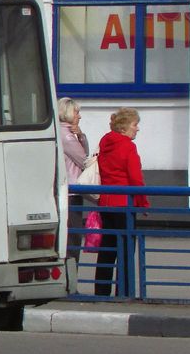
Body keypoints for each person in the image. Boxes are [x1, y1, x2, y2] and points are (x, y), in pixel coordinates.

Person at [94, 107, 150, 297]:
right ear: (125, 127)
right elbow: (135, 179)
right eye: (135, 125)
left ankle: (101, 291)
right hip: (124, 204)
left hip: (106, 202)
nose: (138, 129)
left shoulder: (105, 142)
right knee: (126, 250)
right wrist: (142, 203)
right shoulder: (128, 146)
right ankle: (124, 292)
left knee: (107, 249)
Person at [57, 97, 90, 254]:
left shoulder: (59, 132)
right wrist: (82, 138)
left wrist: (81, 135)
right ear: (69, 113)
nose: (79, 116)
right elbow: (84, 160)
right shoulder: (68, 136)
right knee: (73, 237)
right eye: (77, 112)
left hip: (64, 189)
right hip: (72, 190)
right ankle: (72, 273)